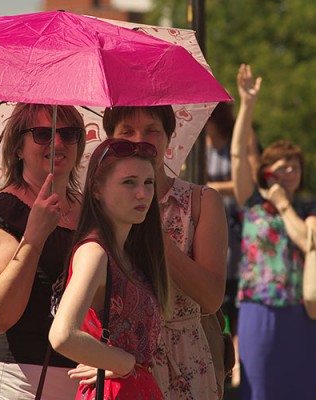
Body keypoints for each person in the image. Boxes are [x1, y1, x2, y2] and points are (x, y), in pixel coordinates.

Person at [103, 105, 228, 399]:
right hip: (117, 359)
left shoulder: (200, 201)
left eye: (152, 131)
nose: (139, 140)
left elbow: (211, 299)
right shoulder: (98, 205)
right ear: (110, 140)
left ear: (170, 137)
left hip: (184, 358)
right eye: (127, 132)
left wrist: (157, 240)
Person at [0, 103, 85, 399]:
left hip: (84, 377)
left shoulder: (93, 212)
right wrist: (34, 238)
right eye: (43, 134)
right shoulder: (2, 211)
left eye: (69, 134)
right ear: (18, 147)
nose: (58, 143)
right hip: (17, 378)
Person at [231, 64, 316, 400]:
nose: (288, 171)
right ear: (268, 171)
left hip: (301, 313)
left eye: (295, 166)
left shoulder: (308, 209)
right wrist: (247, 106)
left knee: (299, 391)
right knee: (259, 390)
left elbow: (308, 241)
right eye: (282, 165)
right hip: (258, 309)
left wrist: (285, 206)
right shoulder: (252, 202)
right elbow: (238, 154)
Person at [49, 138, 168, 399]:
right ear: (96, 190)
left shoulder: (128, 255)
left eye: (149, 183)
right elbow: (62, 335)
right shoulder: (95, 253)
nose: (143, 193)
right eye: (129, 182)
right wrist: (122, 363)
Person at [205, 101, 261, 386]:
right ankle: (224, 361)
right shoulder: (198, 145)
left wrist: (209, 187)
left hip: (238, 226)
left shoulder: (242, 138)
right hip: (209, 226)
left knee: (236, 299)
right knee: (217, 301)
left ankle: (238, 365)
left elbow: (249, 182)